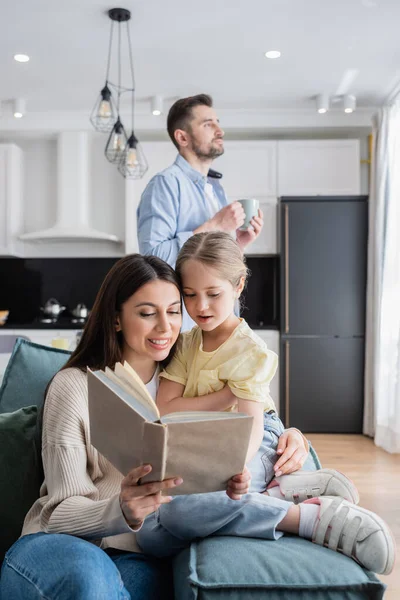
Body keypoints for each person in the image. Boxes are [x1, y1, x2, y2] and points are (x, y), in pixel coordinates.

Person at [0, 254, 311, 600]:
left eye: (174, 311)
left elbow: (255, 413)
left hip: (141, 554)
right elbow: (59, 513)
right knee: (87, 582)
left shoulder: (190, 381)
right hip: (63, 544)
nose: (165, 327)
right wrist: (120, 509)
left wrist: (291, 435)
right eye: (147, 313)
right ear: (116, 319)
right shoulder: (74, 386)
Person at [136, 233, 395, 577]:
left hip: (253, 441)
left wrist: (239, 466)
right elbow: (166, 408)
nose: (201, 307)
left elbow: (250, 424)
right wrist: (227, 394)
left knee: (181, 510)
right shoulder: (185, 344)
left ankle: (313, 520)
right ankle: (282, 493)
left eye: (214, 294)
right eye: (190, 295)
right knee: (151, 537)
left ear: (238, 286)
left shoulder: (249, 350)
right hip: (203, 446)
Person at [137, 93, 263, 330]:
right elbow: (153, 259)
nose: (220, 130)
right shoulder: (165, 184)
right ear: (182, 137)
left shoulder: (216, 189)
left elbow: (215, 261)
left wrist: (238, 243)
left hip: (222, 328)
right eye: (208, 124)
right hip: (186, 330)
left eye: (218, 122)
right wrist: (215, 226)